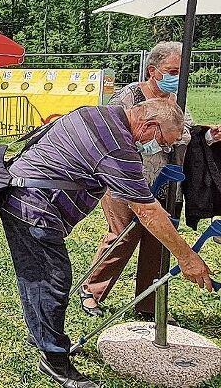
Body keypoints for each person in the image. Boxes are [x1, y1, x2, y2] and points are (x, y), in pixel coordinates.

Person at [0, 98, 213, 388]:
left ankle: (42, 334)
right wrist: (187, 258)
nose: (160, 148)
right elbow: (147, 211)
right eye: (162, 141)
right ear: (149, 125)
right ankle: (54, 361)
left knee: (38, 276)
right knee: (52, 280)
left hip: (22, 196)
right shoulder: (118, 147)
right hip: (33, 207)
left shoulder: (98, 113)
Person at [79, 41, 221, 319]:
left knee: (159, 240)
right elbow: (111, 135)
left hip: (165, 183)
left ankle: (147, 303)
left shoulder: (176, 100)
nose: (177, 76)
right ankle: (92, 290)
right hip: (125, 180)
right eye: (172, 70)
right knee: (123, 235)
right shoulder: (130, 96)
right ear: (153, 70)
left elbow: (185, 135)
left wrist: (207, 138)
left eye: (182, 70)